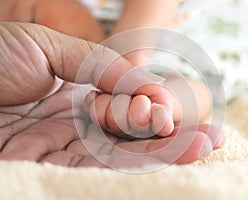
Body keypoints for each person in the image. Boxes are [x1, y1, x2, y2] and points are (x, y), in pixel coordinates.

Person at [0, 22, 224, 168]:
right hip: (82, 79)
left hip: (176, 43)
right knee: (187, 91)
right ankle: (161, 103)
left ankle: (161, 100)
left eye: (31, 13)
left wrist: (129, 52)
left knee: (187, 87)